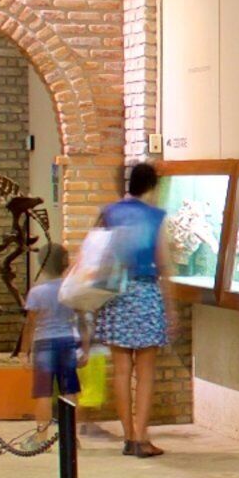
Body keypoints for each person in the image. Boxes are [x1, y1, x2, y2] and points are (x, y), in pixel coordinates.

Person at [89, 162, 171, 457]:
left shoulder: (109, 212)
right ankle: (142, 436)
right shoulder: (155, 216)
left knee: (121, 371)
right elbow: (163, 261)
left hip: (115, 294)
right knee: (145, 373)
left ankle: (127, 437)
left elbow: (94, 253)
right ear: (152, 186)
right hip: (146, 293)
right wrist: (170, 306)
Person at [25, 238, 83, 405]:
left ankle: (43, 423)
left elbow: (30, 324)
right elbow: (81, 321)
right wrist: (84, 347)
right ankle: (71, 422)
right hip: (67, 340)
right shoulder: (71, 290)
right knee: (70, 389)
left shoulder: (36, 293)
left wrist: (24, 352)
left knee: (43, 392)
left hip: (43, 341)